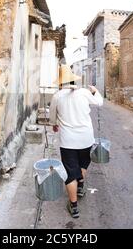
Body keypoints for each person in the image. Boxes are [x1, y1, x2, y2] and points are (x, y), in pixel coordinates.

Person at [49, 65, 103, 219]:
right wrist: (95, 91)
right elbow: (99, 102)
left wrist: (54, 124)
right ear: (73, 80)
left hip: (68, 141)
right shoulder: (85, 93)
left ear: (61, 83)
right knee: (83, 163)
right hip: (86, 138)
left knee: (71, 172)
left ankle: (74, 207)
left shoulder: (57, 96)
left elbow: (53, 117)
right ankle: (80, 186)